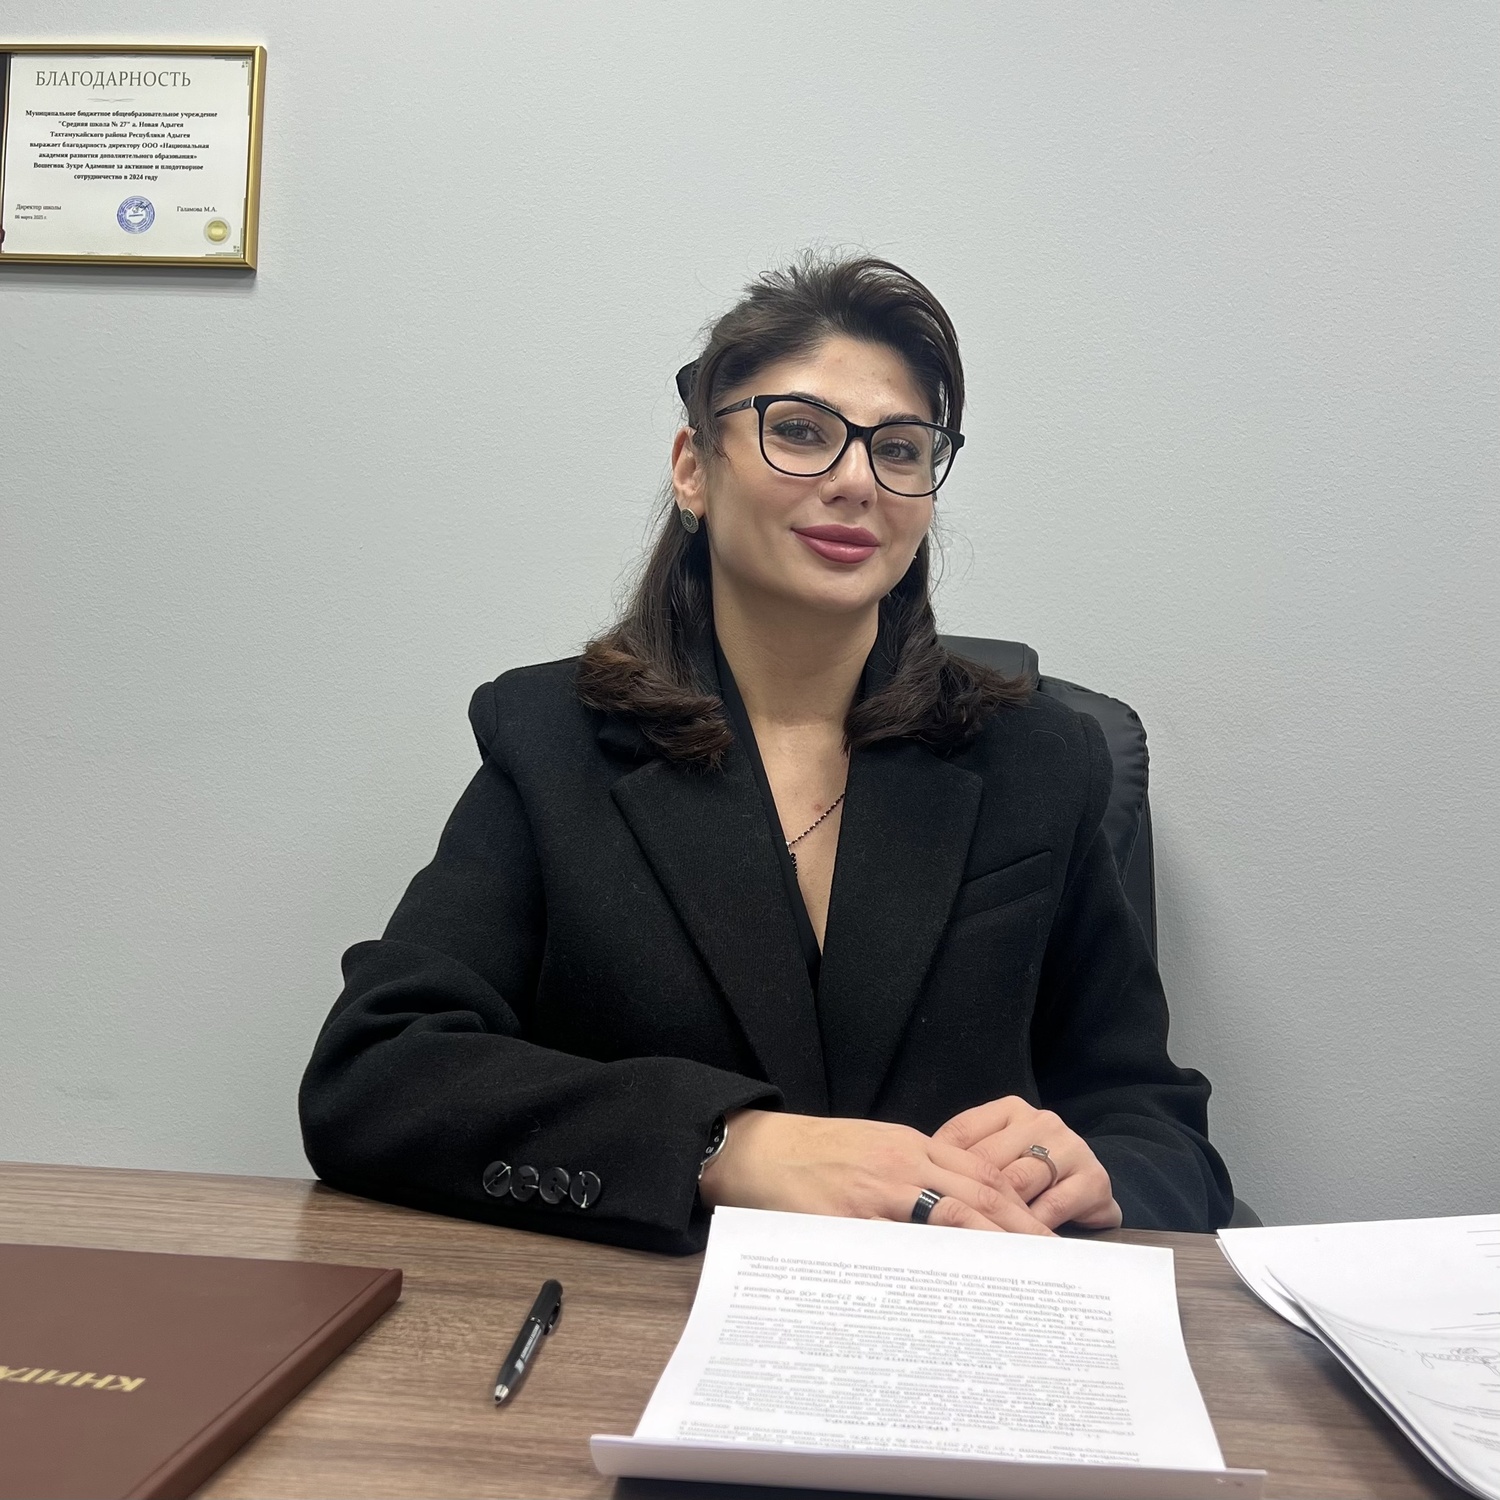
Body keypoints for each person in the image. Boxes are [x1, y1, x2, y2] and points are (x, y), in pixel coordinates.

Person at [299, 255, 1233, 1254]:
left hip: (961, 1312)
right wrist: (724, 1144)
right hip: (652, 1315)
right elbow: (376, 1073)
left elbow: (1157, 1124)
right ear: (693, 468)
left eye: (901, 449)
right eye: (799, 431)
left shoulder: (1041, 759)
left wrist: (1096, 1173)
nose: (856, 481)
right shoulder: (555, 739)